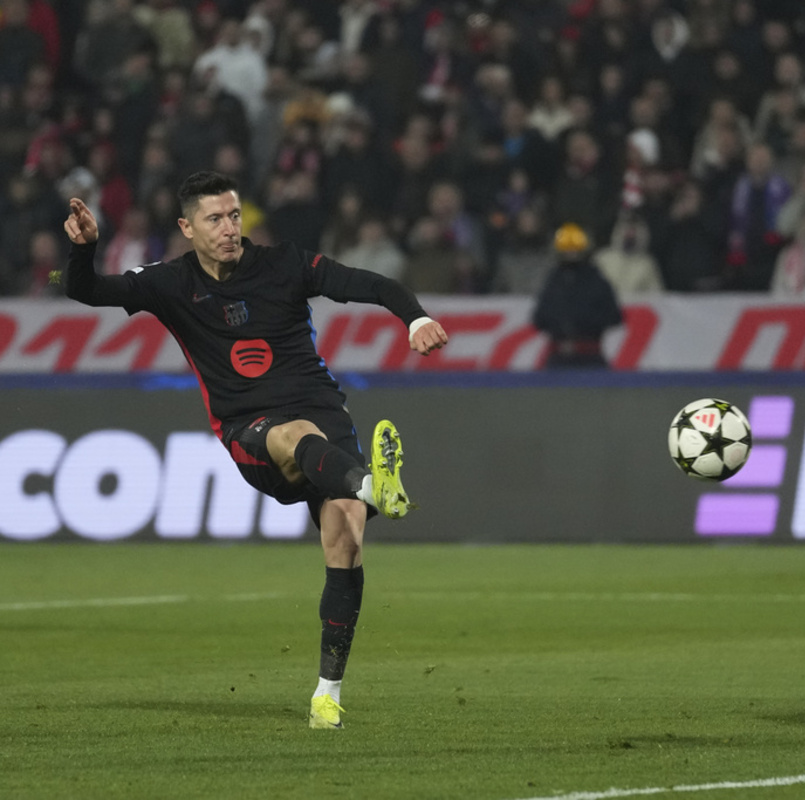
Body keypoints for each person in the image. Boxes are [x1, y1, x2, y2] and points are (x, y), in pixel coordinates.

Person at [62, 171, 449, 731]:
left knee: (346, 540)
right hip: (251, 428)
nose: (229, 228)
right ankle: (372, 486)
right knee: (293, 437)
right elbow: (85, 290)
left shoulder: (284, 263)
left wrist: (416, 316)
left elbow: (370, 284)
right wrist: (85, 249)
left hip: (323, 411)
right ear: (187, 227)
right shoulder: (169, 283)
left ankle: (327, 695)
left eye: (235, 215)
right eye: (215, 219)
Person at [533, 223, 623, 368]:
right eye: (567, 247)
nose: (571, 251)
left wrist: (585, 324)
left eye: (574, 246)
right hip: (558, 358)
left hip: (590, 356)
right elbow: (539, 317)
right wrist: (560, 326)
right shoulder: (554, 279)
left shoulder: (596, 279)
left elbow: (614, 316)